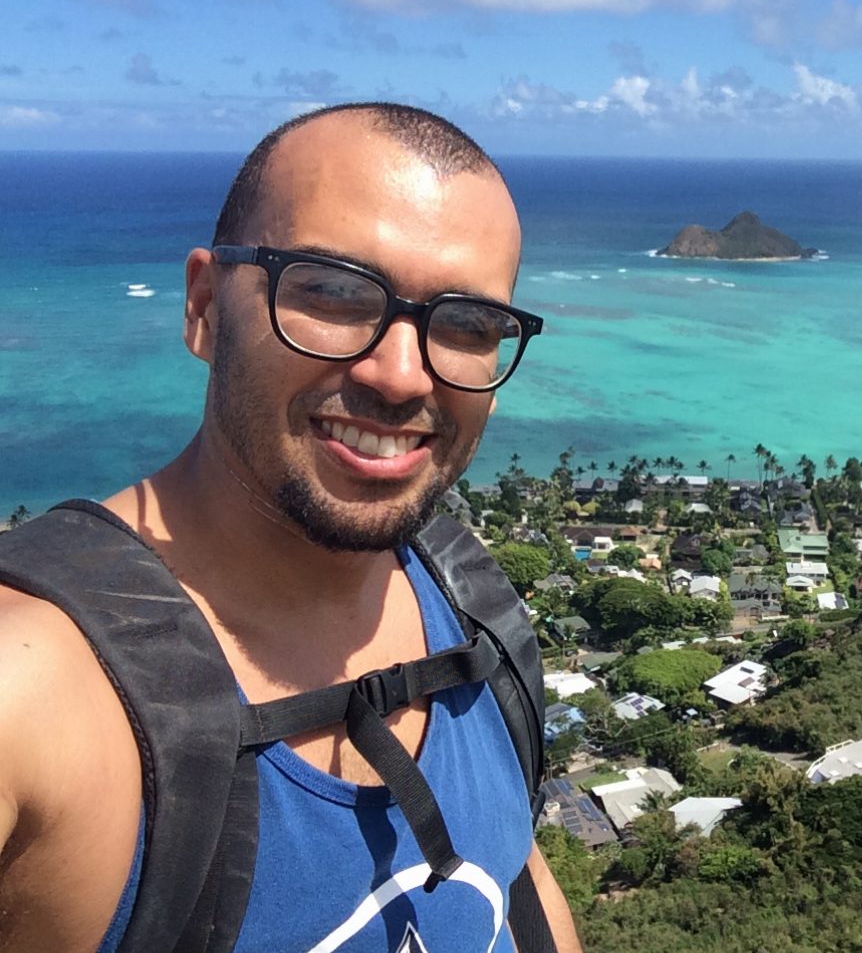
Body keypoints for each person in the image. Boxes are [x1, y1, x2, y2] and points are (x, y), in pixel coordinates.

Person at [0, 103, 583, 953]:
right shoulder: (35, 687)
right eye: (335, 291)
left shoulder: (470, 614)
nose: (400, 374)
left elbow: (514, 882)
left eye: (466, 323)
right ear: (204, 305)